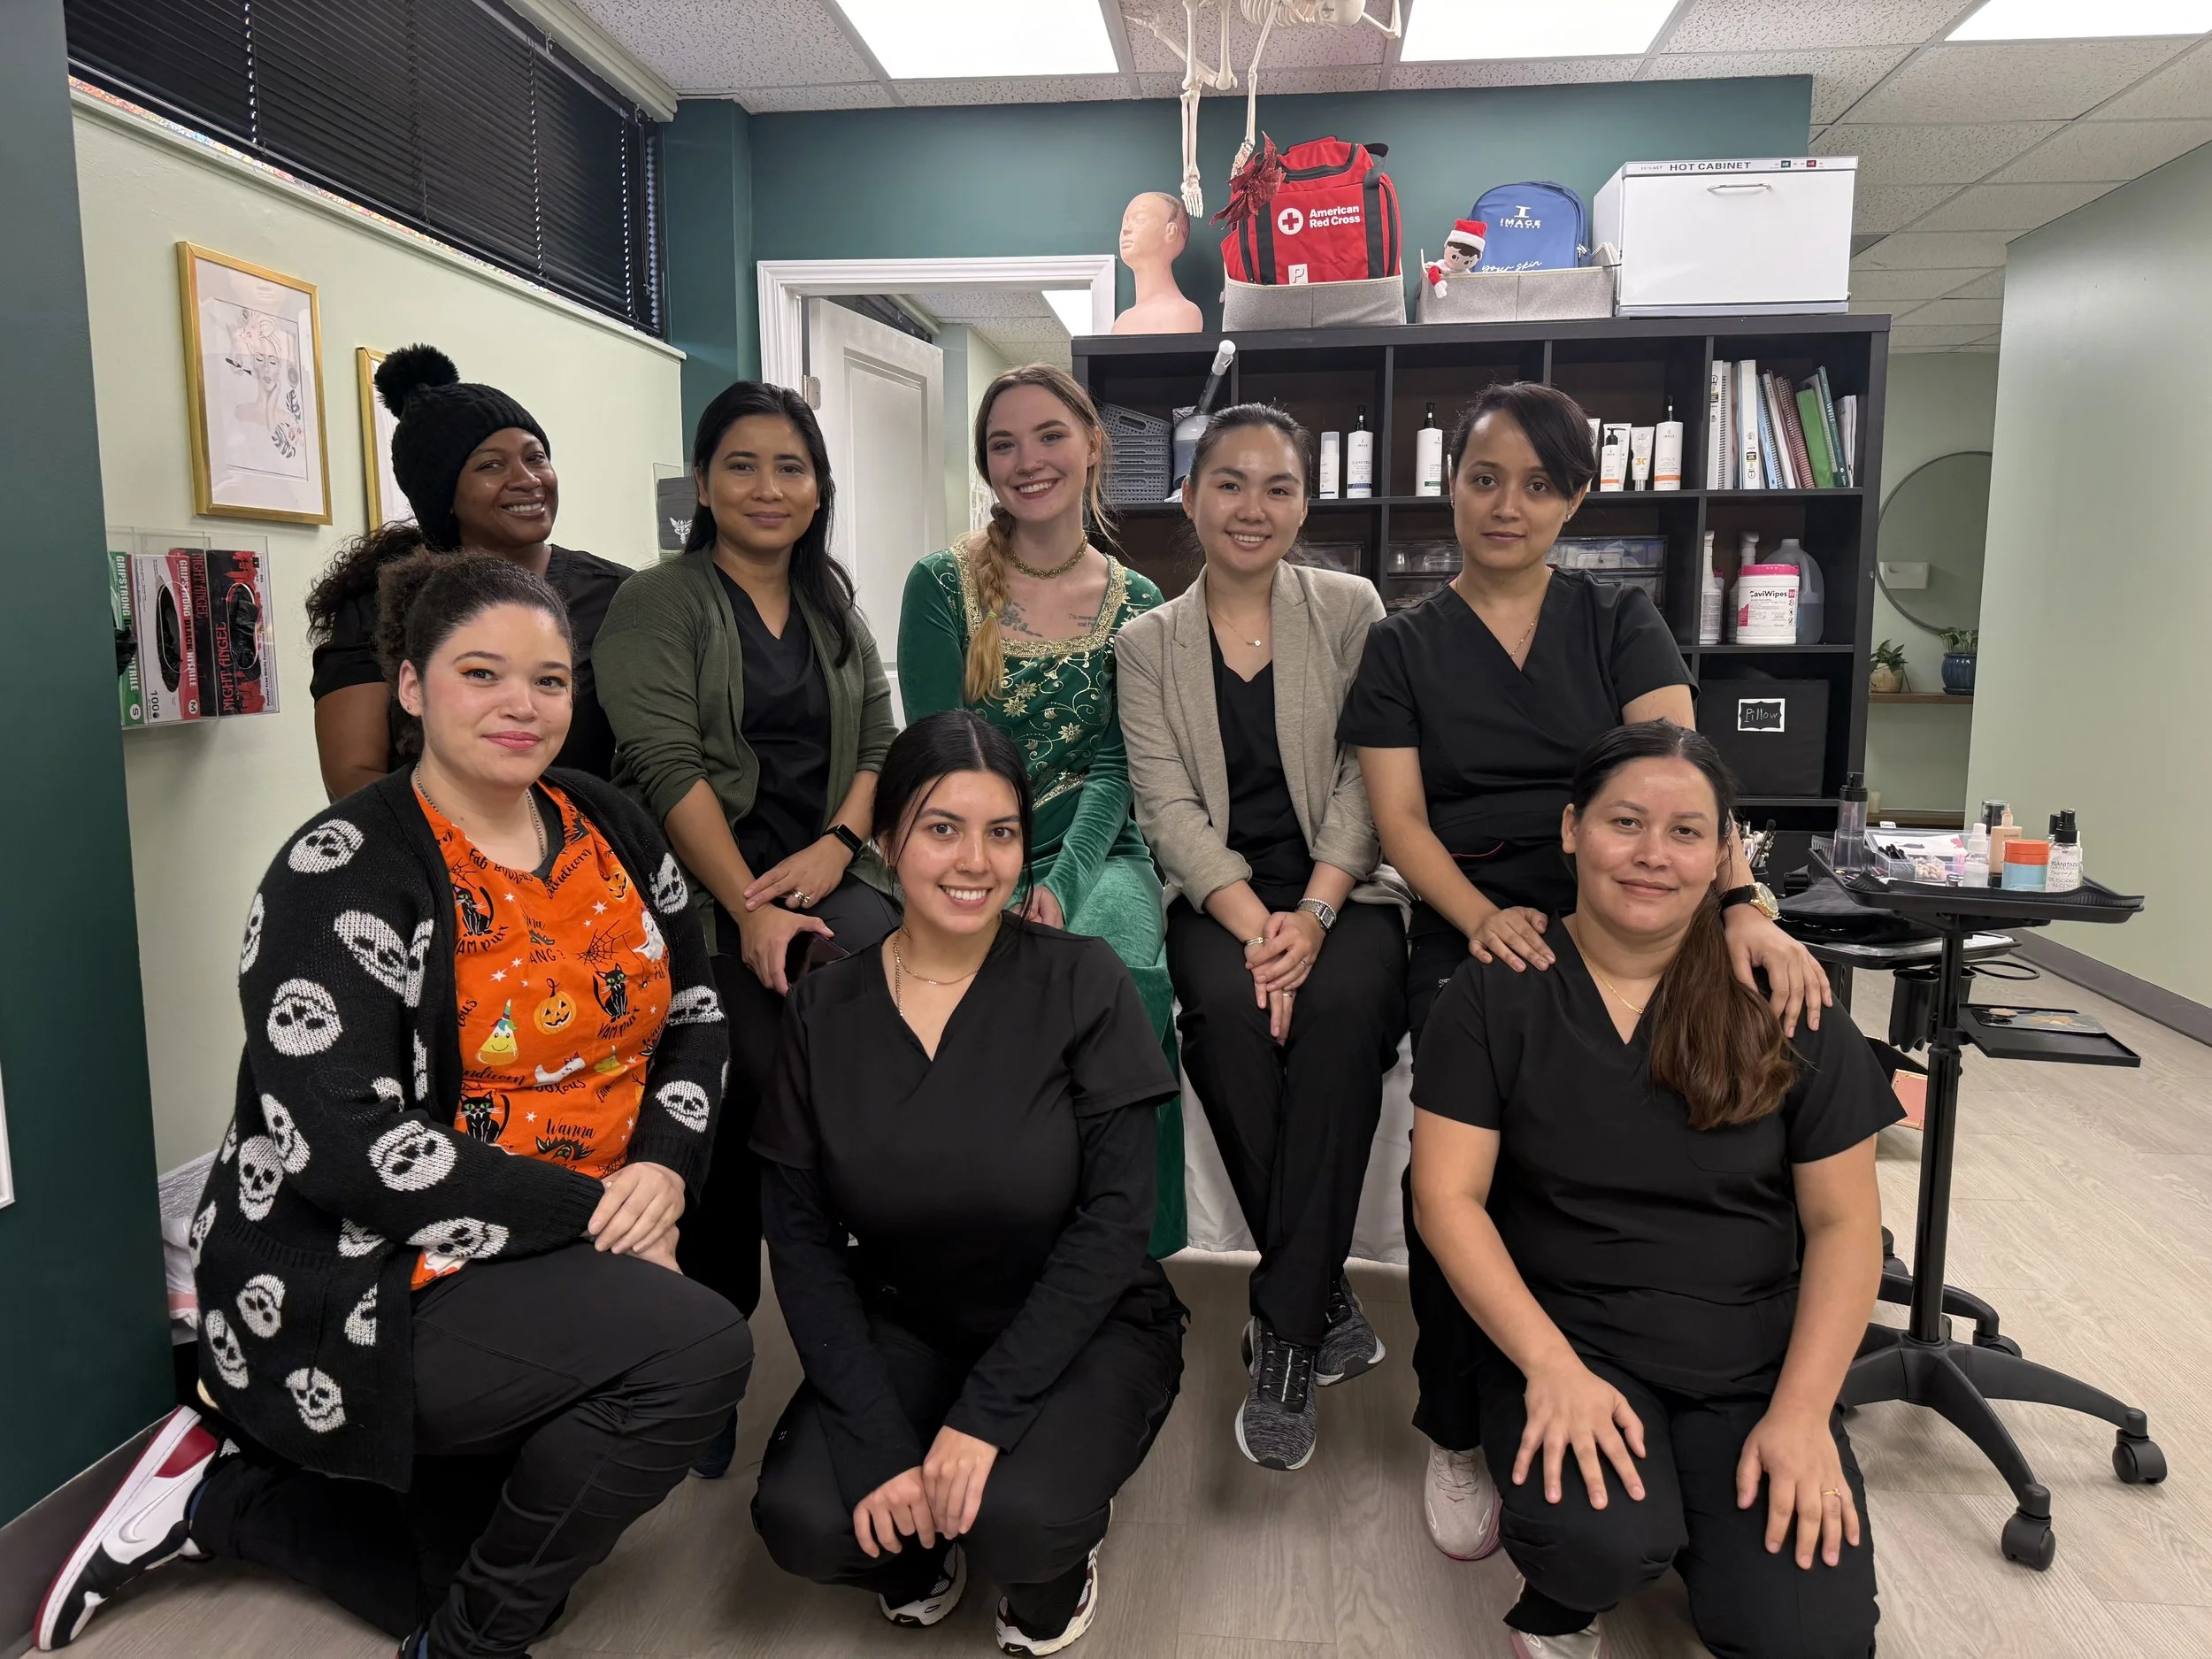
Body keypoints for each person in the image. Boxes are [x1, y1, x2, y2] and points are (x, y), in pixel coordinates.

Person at [40, 555, 748, 1659]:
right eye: (482, 673)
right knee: (694, 1354)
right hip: (376, 1263)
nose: (523, 705)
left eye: (551, 681)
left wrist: (658, 1173)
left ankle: (219, 1501)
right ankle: (455, 1643)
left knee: (523, 1556)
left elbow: (698, 1010)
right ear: (411, 688)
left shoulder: (610, 822)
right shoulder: (344, 869)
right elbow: (349, 1148)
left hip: (577, 1230)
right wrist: (602, 1215)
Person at [1338, 380, 1832, 1559]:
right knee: (1461, 1176)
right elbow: (1402, 820)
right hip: (1480, 918)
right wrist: (1482, 917)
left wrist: (1745, 903)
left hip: (1643, 900)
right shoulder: (1402, 644)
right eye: (1483, 477)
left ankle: (1706, 1384)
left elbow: (1680, 784)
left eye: (1539, 484)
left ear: (1577, 498)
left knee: (1682, 1134)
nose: (1508, 505)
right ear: (1448, 483)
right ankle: (1459, 1418)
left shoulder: (1621, 619)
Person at [1409, 721, 1891, 1658]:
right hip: (1572, 1340)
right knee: (1597, 1545)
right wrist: (1550, 1371)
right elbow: (1445, 1201)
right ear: (1569, 831)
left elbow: (1842, 1226)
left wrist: (1799, 1419)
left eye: (1683, 834)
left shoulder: (1783, 994)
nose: (1649, 857)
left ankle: (1698, 1513)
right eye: (1623, 823)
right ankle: (1564, 1593)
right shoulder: (1500, 990)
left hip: (1750, 1364)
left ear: (1723, 855)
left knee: (1807, 1640)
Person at [750, 710, 1185, 1655]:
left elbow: (1117, 1224)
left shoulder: (1083, 980)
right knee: (805, 1518)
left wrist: (982, 1420)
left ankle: (1050, 1573)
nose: (974, 862)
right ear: (884, 842)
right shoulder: (827, 1007)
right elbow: (801, 1241)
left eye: (1001, 833)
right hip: (907, 1315)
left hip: (1084, 1320)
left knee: (1018, 1521)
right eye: (941, 828)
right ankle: (920, 1554)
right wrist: (874, 1444)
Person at [594, 380, 899, 1475]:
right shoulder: (657, 603)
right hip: (701, 898)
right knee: (735, 1086)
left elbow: (880, 745)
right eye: (742, 466)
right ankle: (709, 1356)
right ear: (704, 485)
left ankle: (882, 1323)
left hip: (834, 880)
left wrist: (833, 851)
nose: (768, 488)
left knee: (886, 1043)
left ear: (818, 490)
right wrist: (753, 904)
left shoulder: (833, 607)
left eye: (791, 468)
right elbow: (665, 771)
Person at [1116, 403, 1406, 1472]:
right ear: (1190, 499)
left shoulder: (1349, 607)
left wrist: (1316, 916)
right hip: (1219, 902)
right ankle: (1318, 1297)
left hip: (1350, 892)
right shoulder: (1145, 642)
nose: (1252, 507)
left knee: (1336, 1025)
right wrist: (1255, 926)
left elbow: (1368, 778)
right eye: (1228, 484)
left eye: (1277, 486)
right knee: (1229, 1026)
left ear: (1304, 505)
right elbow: (1164, 806)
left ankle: (1279, 1333)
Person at [898, 363, 1184, 1256]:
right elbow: (944, 760)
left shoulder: (1141, 604)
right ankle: (994, 1231)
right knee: (988, 991)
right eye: (1002, 443)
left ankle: (1126, 1244)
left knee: (1120, 974)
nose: (1027, 459)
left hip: (1099, 852)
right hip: (967, 845)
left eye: (1049, 435)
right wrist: (999, 869)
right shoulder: (939, 585)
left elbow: (1116, 766)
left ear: (1094, 446)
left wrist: (1060, 882)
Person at [307, 345, 632, 798]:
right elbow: (352, 778)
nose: (527, 479)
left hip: (596, 852)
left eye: (535, 457)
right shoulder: (380, 609)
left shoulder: (621, 596)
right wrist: (486, 843)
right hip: (432, 855)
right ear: (444, 497)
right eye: (490, 465)